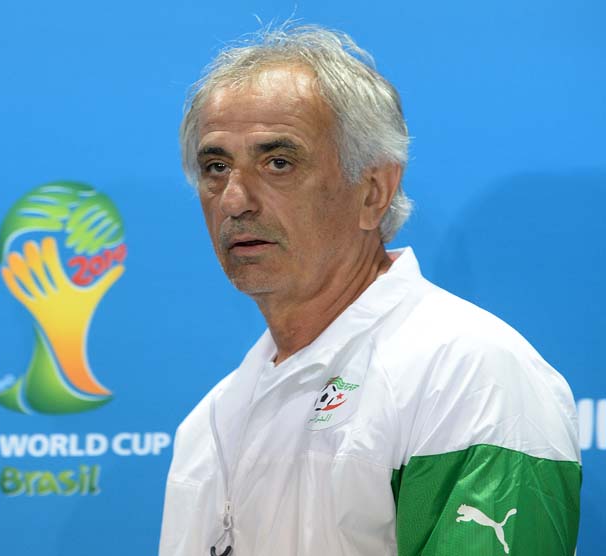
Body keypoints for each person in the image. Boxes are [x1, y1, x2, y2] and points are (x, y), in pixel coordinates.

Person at [159, 25, 581, 556]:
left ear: (374, 191)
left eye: (279, 162)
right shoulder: (211, 419)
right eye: (215, 167)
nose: (234, 200)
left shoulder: (469, 373)